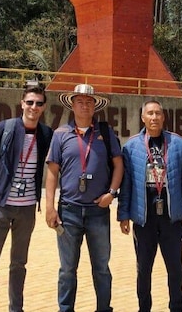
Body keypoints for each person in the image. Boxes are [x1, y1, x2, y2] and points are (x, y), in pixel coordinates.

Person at [0, 82, 53, 312]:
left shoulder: (46, 134)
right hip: (0, 206)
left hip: (26, 210)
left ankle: (16, 308)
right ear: (22, 103)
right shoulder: (5, 128)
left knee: (19, 265)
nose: (34, 107)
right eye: (30, 102)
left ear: (44, 107)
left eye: (39, 104)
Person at [45, 84, 124, 312]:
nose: (84, 105)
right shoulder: (60, 134)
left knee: (101, 267)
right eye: (80, 101)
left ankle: (103, 308)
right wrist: (50, 207)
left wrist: (112, 193)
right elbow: (52, 173)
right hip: (68, 211)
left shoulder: (105, 133)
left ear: (95, 105)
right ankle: (65, 308)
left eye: (89, 101)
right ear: (72, 104)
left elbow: (119, 166)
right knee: (67, 268)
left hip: (98, 211)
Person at [118, 99, 182, 312]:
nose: (154, 117)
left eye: (158, 113)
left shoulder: (177, 144)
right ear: (142, 117)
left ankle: (177, 307)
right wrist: (123, 214)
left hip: (172, 217)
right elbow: (127, 185)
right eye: (150, 113)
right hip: (144, 217)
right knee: (143, 269)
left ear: (163, 117)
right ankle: (144, 308)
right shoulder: (132, 146)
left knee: (175, 268)